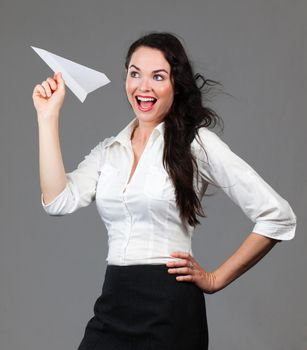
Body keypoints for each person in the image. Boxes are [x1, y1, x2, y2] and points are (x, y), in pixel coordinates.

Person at [32, 32, 297, 350]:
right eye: (134, 74)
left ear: (176, 83)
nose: (143, 87)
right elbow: (58, 201)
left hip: (171, 309)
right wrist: (48, 118)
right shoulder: (109, 151)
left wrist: (215, 279)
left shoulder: (197, 144)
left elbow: (277, 216)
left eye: (158, 76)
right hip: (114, 302)